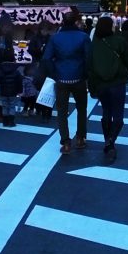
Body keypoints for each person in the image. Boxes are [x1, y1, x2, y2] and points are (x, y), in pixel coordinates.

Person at [88, 16, 128, 162]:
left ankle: (108, 141)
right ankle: (110, 142)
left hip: (100, 84)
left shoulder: (94, 44)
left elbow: (90, 67)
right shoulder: (119, 41)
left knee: (106, 112)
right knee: (118, 116)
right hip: (117, 82)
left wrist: (91, 86)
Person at [43, 11, 92, 154]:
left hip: (61, 78)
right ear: (76, 22)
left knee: (62, 111)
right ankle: (81, 138)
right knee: (81, 109)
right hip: (79, 78)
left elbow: (46, 58)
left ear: (63, 22)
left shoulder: (55, 38)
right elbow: (89, 58)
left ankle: (65, 142)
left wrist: (54, 73)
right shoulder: (83, 37)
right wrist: (85, 74)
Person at [0, 51, 23, 127]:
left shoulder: (1, 69)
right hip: (13, 92)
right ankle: (11, 122)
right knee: (12, 106)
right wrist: (20, 91)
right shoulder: (16, 71)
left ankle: (5, 121)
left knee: (5, 106)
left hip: (3, 91)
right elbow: (19, 81)